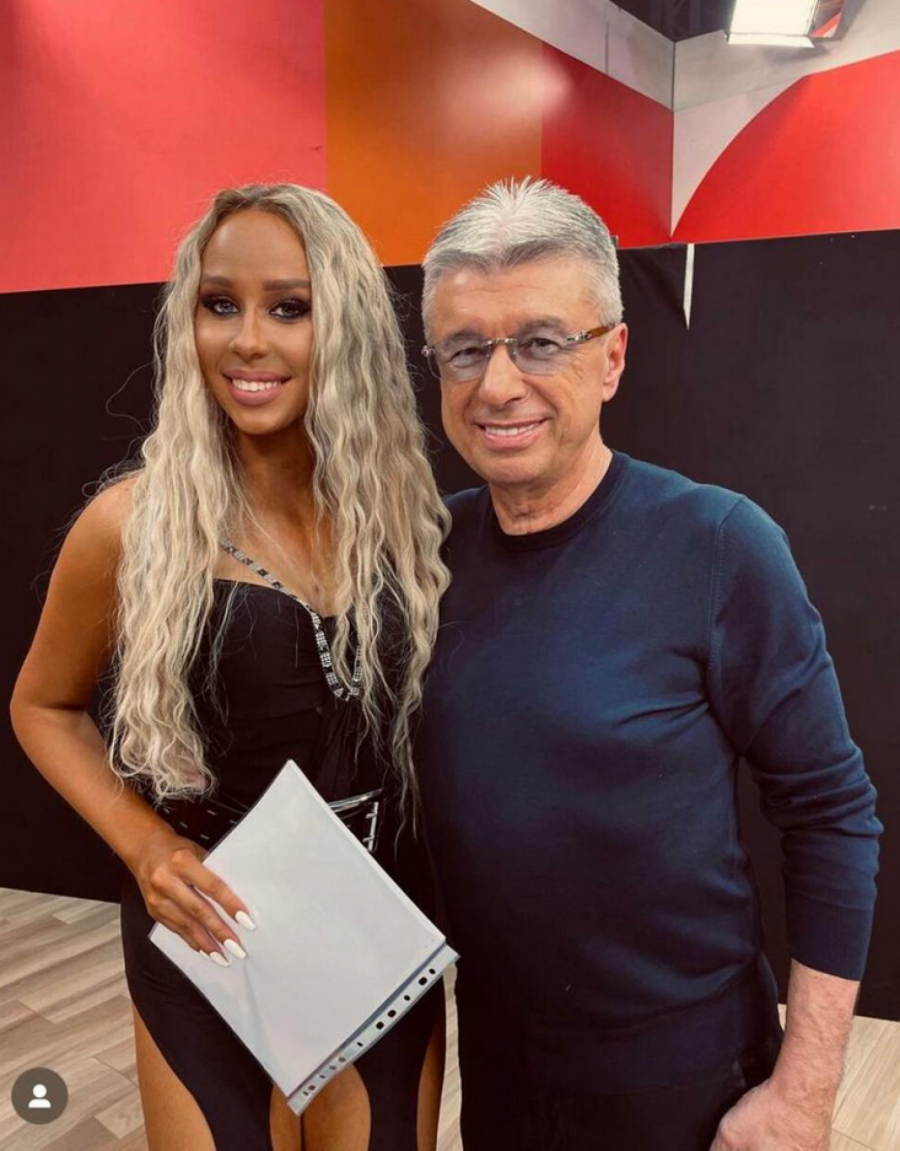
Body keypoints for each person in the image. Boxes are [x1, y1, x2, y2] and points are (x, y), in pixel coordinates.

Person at [414, 178, 882, 1151]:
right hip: (497, 1066)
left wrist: (804, 1090)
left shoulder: (717, 545)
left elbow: (832, 815)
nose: (497, 384)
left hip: (686, 1079)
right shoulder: (424, 557)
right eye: (464, 348)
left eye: (541, 341)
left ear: (613, 356)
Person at [10, 184, 450, 1151]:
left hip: (373, 931)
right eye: (220, 304)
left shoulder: (403, 523)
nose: (248, 340)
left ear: (346, 326)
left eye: (289, 307)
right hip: (209, 931)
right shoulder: (131, 525)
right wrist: (146, 848)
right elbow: (42, 705)